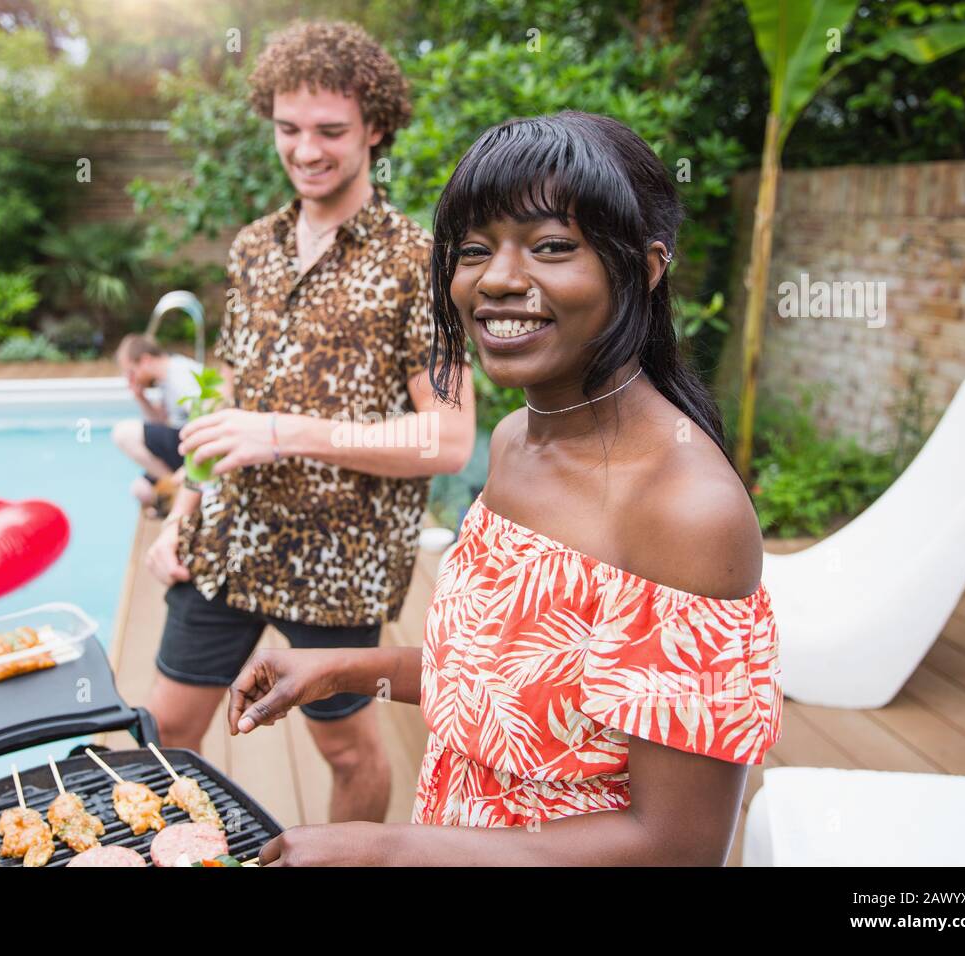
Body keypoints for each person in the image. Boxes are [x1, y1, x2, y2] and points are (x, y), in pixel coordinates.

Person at [225, 111, 784, 865]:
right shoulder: (516, 439)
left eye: (553, 247)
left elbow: (673, 845)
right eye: (474, 251)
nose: (498, 280)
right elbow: (508, 679)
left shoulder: (687, 513)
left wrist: (392, 851)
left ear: (646, 267)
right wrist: (344, 668)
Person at [143, 20, 477, 824]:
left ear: (376, 128)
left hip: (339, 567)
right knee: (161, 736)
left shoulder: (416, 261)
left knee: (350, 752)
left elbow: (449, 439)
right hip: (224, 542)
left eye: (330, 130)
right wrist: (180, 510)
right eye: (289, 129)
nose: (306, 150)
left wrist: (283, 430)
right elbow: (226, 404)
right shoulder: (253, 247)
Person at [112, 334, 200, 514]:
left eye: (131, 371)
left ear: (145, 361)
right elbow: (160, 424)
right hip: (182, 440)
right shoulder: (165, 378)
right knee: (140, 491)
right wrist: (140, 397)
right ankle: (176, 486)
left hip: (194, 445)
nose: (131, 378)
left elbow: (205, 417)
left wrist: (189, 467)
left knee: (122, 433)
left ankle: (179, 486)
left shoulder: (179, 376)